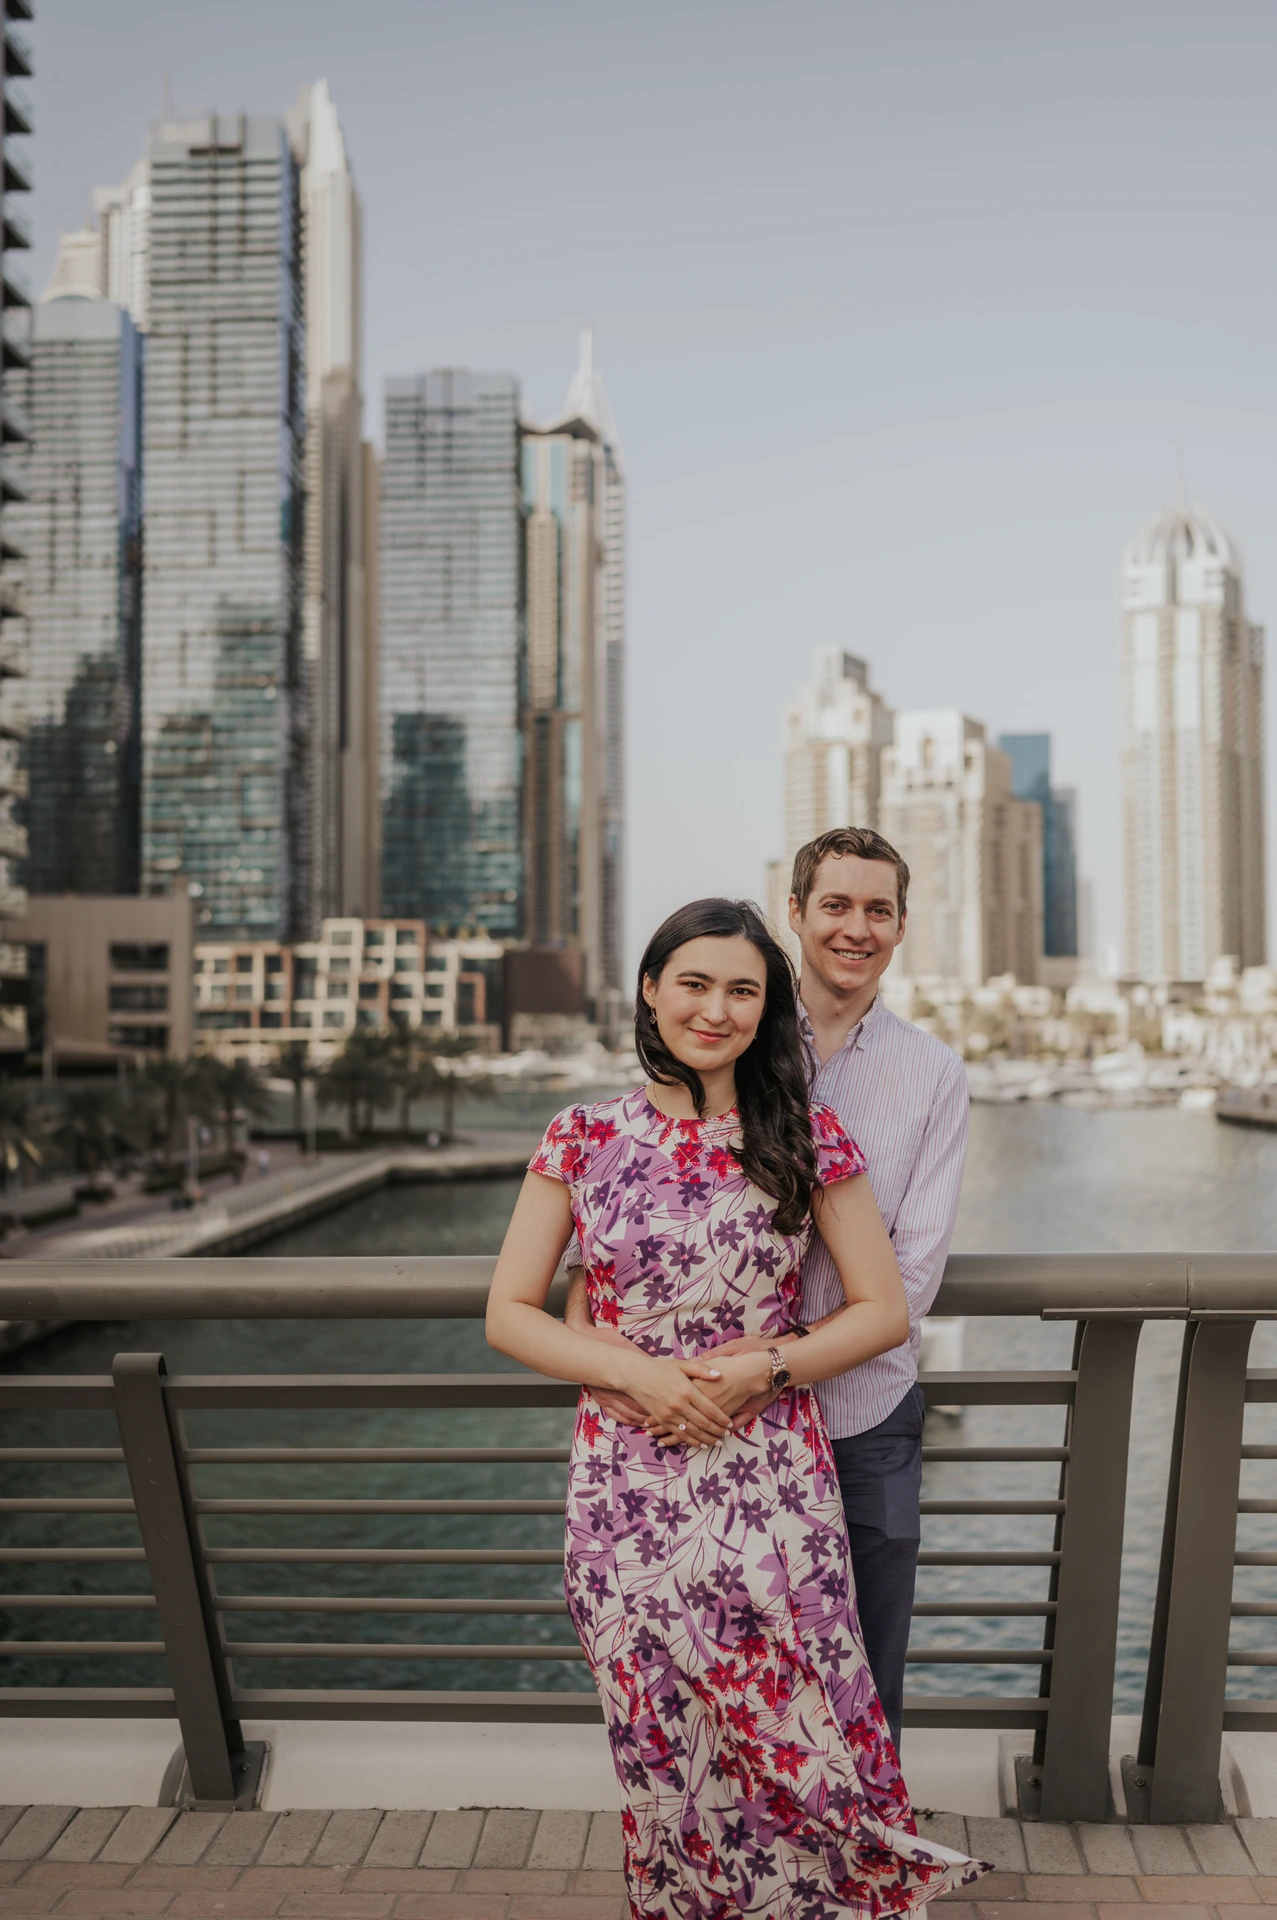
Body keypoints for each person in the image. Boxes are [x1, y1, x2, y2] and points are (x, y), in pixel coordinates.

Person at [487, 897, 983, 1919]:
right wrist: (639, 1376)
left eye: (741, 990)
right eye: (694, 983)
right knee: (658, 1739)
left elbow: (882, 1310)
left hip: (767, 1481)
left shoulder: (802, 1134)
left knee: (794, 1723)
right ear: (649, 990)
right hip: (624, 1488)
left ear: (765, 1011)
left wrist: (766, 1367)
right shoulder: (579, 1136)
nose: (714, 1009)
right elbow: (506, 1313)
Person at [568, 826, 967, 1753]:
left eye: (878, 910)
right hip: (705, 1424)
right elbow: (642, 1232)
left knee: (859, 1685)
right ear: (795, 914)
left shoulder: (930, 1074)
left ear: (902, 927)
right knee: (716, 1686)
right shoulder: (723, 1034)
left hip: (857, 1414)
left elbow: (910, 1272)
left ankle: (857, 1881)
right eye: (834, 904)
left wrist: (775, 1365)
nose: (854, 928)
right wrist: (638, 1363)